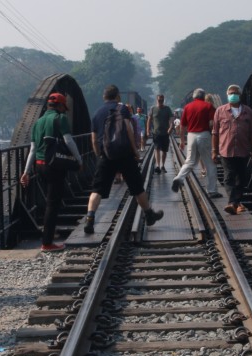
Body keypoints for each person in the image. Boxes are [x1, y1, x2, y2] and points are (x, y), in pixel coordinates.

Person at [84, 85, 163, 234]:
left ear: (104, 97)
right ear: (117, 96)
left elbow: (94, 139)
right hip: (125, 154)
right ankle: (149, 214)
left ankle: (90, 218)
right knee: (137, 187)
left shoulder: (96, 114)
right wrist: (135, 151)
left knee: (97, 189)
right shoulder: (122, 109)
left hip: (106, 155)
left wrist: (99, 155)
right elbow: (128, 129)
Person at [19, 92, 82, 252]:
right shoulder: (60, 118)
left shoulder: (38, 122)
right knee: (52, 204)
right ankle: (47, 243)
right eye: (63, 107)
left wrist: (26, 171)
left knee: (49, 201)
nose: (64, 110)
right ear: (60, 106)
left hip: (39, 166)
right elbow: (69, 141)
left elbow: (33, 149)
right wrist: (79, 161)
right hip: (54, 166)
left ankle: (49, 233)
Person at [211, 84, 252, 215]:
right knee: (229, 176)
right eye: (230, 93)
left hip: (243, 150)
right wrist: (214, 151)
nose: (233, 95)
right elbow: (215, 132)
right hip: (226, 149)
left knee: (242, 178)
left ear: (240, 95)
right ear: (227, 95)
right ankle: (232, 203)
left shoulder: (248, 111)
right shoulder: (220, 111)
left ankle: (235, 202)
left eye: (235, 93)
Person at [171, 88, 220, 198]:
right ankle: (212, 190)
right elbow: (212, 123)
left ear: (193, 97)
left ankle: (178, 178)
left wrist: (182, 141)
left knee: (190, 161)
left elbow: (182, 126)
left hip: (191, 135)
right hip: (204, 135)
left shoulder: (187, 107)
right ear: (203, 96)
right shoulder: (208, 106)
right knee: (210, 164)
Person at [146, 94, 173, 174]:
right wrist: (147, 130)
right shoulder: (153, 109)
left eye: (162, 100)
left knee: (164, 150)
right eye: (159, 100)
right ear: (156, 100)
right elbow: (149, 120)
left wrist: (171, 127)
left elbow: (171, 119)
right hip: (156, 132)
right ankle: (158, 165)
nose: (160, 102)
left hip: (165, 132)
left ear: (163, 100)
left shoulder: (167, 109)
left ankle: (162, 165)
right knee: (157, 149)